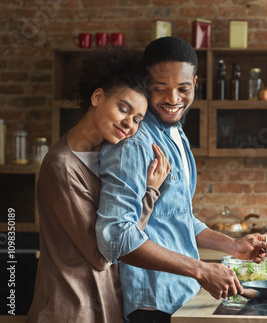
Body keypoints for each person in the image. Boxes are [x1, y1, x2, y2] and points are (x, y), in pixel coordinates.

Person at [96, 36, 267, 322]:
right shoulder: (134, 143)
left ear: (195, 82)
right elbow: (116, 238)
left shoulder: (176, 134)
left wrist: (232, 245)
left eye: (183, 88)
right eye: (160, 88)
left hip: (181, 297)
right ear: (145, 84)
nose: (173, 99)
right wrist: (201, 269)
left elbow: (175, 216)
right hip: (150, 304)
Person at [26, 49, 170, 323]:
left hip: (101, 306)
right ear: (97, 97)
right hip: (70, 312)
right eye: (123, 109)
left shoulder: (106, 157)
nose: (129, 124)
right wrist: (150, 193)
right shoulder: (63, 167)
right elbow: (104, 252)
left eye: (138, 119)